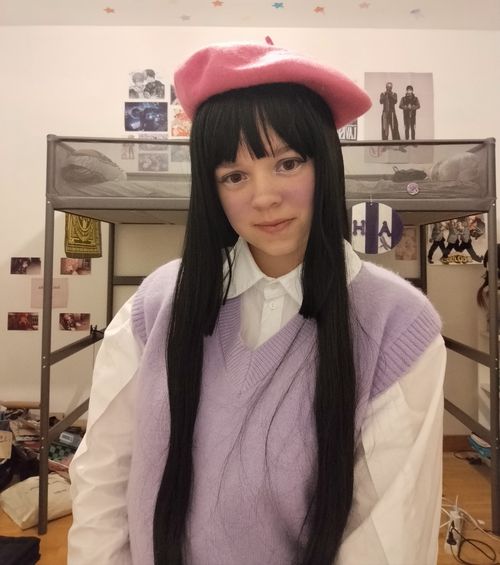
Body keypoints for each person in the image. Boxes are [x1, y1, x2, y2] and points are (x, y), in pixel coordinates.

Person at [68, 42, 446, 565]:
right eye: (234, 176)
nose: (264, 197)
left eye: (287, 163)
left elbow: (388, 536)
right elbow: (104, 476)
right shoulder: (155, 306)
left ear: (325, 164)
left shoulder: (397, 325)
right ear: (212, 189)